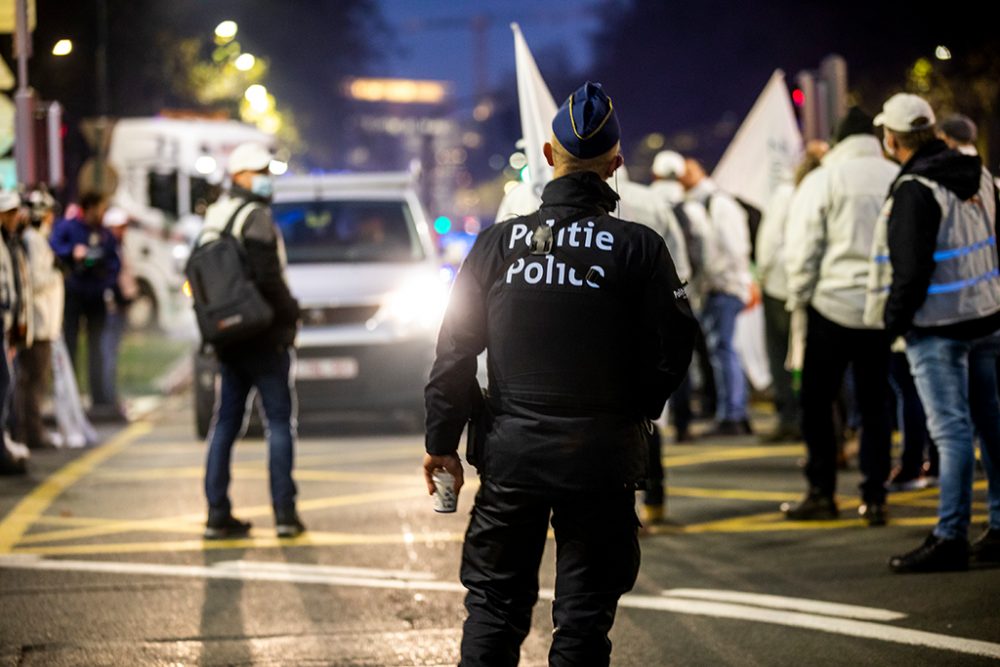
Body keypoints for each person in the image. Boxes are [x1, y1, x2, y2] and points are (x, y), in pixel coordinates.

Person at [424, 81, 696, 666]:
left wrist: (441, 442)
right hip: (601, 457)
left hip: (512, 454)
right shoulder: (639, 247)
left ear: (549, 157)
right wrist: (636, 408)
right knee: (582, 620)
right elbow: (675, 346)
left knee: (494, 607)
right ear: (615, 165)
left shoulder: (497, 245)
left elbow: (453, 352)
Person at [865, 93, 1000, 571]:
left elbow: (911, 273)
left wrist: (890, 328)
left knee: (953, 433)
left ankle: (950, 536)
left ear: (893, 139)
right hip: (987, 318)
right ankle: (999, 527)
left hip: (937, 328)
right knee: (991, 427)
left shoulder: (915, 189)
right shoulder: (979, 173)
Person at [782, 107, 899, 525]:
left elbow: (803, 247)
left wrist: (799, 296)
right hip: (882, 307)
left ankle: (822, 492)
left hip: (830, 305)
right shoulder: (895, 176)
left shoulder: (824, 180)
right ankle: (876, 494)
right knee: (875, 406)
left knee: (817, 404)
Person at [200, 142, 303, 540]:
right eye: (260, 171)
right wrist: (291, 313)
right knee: (278, 422)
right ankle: (284, 514)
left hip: (228, 337)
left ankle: (216, 513)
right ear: (240, 175)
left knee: (225, 422)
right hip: (263, 335)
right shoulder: (254, 216)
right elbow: (268, 278)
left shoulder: (214, 216)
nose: (267, 179)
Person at [754, 140, 828, 443]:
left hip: (780, 284)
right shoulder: (826, 189)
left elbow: (770, 241)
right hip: (817, 285)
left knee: (780, 352)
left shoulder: (787, 194)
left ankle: (789, 417)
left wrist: (762, 275)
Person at [677, 156, 753, 435]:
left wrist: (717, 280)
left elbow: (734, 249)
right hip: (720, 287)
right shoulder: (706, 203)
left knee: (724, 349)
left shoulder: (717, 203)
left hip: (723, 288)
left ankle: (732, 413)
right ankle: (732, 411)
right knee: (723, 349)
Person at [650, 150, 718, 438]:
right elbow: (705, 253)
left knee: (652, 355)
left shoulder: (644, 201)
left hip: (648, 291)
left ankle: (655, 420)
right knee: (684, 356)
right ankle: (684, 421)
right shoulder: (692, 209)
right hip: (683, 290)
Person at [49, 191, 119, 418]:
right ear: (88, 208)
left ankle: (98, 398)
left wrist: (104, 279)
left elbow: (114, 262)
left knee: (97, 347)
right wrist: (73, 253)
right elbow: (54, 247)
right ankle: (71, 395)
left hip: (95, 294)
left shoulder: (104, 233)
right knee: (70, 345)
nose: (103, 214)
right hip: (73, 294)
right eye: (100, 208)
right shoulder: (69, 227)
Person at [13, 189, 64, 449]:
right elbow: (32, 280)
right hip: (39, 321)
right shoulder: (33, 241)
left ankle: (30, 429)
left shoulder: (39, 239)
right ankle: (31, 431)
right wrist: (56, 273)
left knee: (35, 379)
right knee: (33, 380)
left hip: (45, 321)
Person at [99, 207, 139, 417]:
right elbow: (111, 277)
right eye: (120, 227)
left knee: (113, 351)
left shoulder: (119, 246)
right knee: (109, 352)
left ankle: (110, 394)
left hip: (120, 305)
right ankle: (108, 397)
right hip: (112, 307)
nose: (124, 230)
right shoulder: (108, 246)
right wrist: (119, 296)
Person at [0, 191, 27, 475]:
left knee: (8, 381)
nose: (12, 218)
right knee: (5, 381)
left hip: (6, 322)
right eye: (7, 213)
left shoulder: (10, 242)